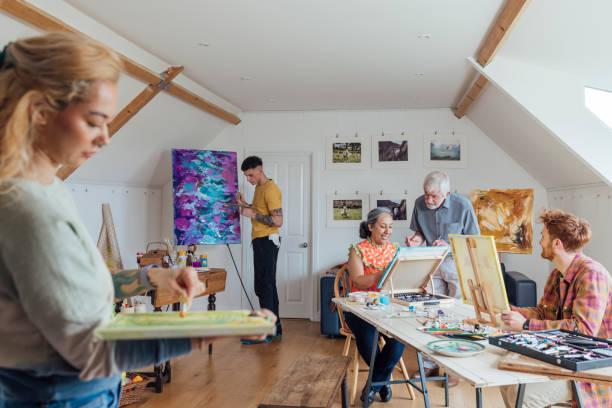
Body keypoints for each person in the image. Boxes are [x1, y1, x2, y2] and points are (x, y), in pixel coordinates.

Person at [0, 33, 273, 407]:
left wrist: (152, 278)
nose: (106, 138)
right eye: (94, 121)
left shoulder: (48, 189)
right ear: (39, 111)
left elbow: (78, 290)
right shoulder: (26, 211)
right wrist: (215, 328)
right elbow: (91, 352)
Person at [499, 209, 611, 408]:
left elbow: (583, 330)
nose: (540, 242)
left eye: (543, 237)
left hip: (590, 369)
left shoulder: (592, 274)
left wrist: (525, 325)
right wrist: (510, 311)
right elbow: (544, 313)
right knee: (506, 380)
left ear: (557, 244)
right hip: (563, 356)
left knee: (519, 395)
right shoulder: (557, 274)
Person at [405, 170, 479, 387]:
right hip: (432, 263)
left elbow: (473, 239)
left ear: (446, 194)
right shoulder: (419, 204)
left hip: (457, 265)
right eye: (426, 194)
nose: (428, 199)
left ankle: (453, 369)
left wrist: (451, 244)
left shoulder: (463, 205)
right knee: (431, 313)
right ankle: (429, 365)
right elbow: (419, 232)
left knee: (457, 316)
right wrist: (416, 240)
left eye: (434, 196)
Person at [345, 207, 405, 404]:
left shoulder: (395, 249)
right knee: (368, 339)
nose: (387, 231)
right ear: (370, 227)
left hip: (389, 307)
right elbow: (358, 281)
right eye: (383, 226)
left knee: (399, 340)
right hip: (359, 308)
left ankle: (374, 384)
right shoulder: (358, 250)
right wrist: (382, 274)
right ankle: (383, 382)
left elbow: (401, 279)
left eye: (390, 227)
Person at [236, 156, 283, 343]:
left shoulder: (271, 189)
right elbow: (260, 211)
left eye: (251, 175)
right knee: (267, 286)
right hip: (261, 240)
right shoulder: (259, 188)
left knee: (264, 286)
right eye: (246, 176)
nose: (249, 179)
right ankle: (275, 329)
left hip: (267, 241)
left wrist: (251, 214)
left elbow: (278, 221)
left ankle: (266, 331)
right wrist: (245, 205)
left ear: (260, 170)